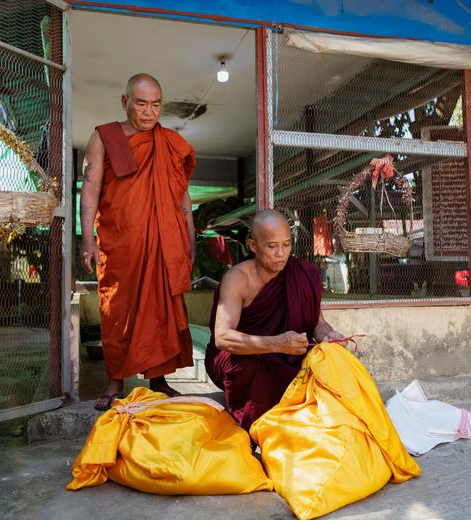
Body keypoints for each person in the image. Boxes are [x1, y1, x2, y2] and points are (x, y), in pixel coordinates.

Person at [79, 73, 196, 411]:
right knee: (116, 309)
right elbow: (90, 188)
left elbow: (182, 199)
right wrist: (88, 239)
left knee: (163, 307)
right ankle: (115, 381)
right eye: (141, 103)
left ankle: (159, 380)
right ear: (124, 101)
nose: (149, 111)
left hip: (163, 245)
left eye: (156, 104)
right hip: (121, 245)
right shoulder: (106, 138)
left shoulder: (169, 142)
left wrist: (189, 242)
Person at [205, 209, 350, 431]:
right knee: (251, 365)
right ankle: (260, 428)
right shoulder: (237, 279)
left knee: (330, 361)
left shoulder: (302, 273)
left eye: (286, 244)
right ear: (253, 246)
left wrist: (329, 335)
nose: (281, 253)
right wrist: (276, 344)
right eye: (272, 246)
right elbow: (223, 338)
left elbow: (317, 323)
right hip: (241, 356)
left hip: (287, 353)